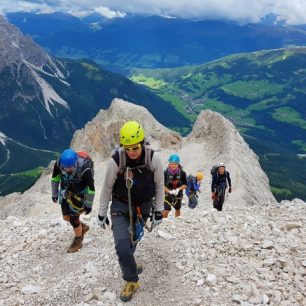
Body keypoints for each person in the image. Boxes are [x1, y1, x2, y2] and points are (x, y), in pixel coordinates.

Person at [98, 121, 164, 302]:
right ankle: (132, 280)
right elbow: (106, 188)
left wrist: (158, 211)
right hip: (120, 205)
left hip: (143, 207)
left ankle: (130, 263)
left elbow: (159, 186)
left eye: (135, 147)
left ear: (142, 142)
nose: (132, 151)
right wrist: (102, 213)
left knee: (133, 240)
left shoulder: (153, 159)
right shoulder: (116, 161)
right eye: (127, 148)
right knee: (122, 245)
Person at [51, 149, 95, 253]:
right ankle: (82, 227)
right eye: (65, 168)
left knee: (73, 219)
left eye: (70, 168)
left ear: (75, 163)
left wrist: (89, 204)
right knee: (66, 217)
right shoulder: (59, 164)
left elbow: (91, 188)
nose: (67, 170)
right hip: (66, 192)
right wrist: (54, 194)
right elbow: (55, 178)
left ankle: (78, 239)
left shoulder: (85, 169)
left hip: (80, 195)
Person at [163, 154, 187, 218]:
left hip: (178, 193)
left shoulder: (182, 173)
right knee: (166, 209)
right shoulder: (165, 173)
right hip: (167, 193)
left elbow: (185, 185)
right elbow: (162, 185)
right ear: (169, 163)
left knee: (177, 208)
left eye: (175, 164)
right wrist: (169, 191)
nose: (173, 166)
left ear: (178, 164)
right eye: (171, 164)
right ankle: (163, 224)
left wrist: (178, 189)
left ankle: (177, 222)